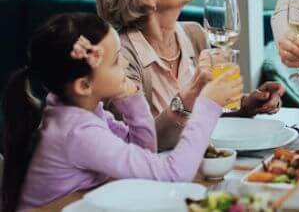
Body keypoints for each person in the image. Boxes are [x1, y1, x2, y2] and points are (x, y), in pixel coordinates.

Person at [1, 13, 241, 211]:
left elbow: (144, 153)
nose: (125, 65)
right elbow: (174, 173)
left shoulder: (77, 108)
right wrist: (208, 104)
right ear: (84, 85)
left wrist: (132, 100)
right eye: (116, 61)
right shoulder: (78, 131)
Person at [94, 0, 285, 150]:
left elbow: (205, 115)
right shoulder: (120, 57)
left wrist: (246, 105)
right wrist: (191, 93)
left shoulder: (195, 34)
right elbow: (140, 143)